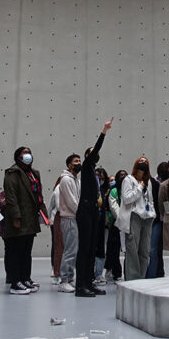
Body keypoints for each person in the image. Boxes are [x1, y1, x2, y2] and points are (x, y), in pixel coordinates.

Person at [3, 145, 48, 295]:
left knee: (26, 250)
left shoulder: (34, 173)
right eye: (24, 153)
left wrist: (44, 213)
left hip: (31, 218)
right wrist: (16, 216)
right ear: (18, 157)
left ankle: (25, 278)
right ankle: (15, 282)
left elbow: (38, 194)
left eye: (29, 153)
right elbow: (11, 196)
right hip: (20, 218)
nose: (28, 155)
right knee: (16, 250)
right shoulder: (13, 173)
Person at [75, 118, 113, 297]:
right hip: (85, 210)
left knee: (91, 248)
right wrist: (104, 131)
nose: (95, 154)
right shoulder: (86, 166)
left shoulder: (93, 172)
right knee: (84, 249)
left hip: (93, 211)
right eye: (91, 153)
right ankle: (80, 286)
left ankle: (89, 282)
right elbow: (96, 149)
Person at [121, 155, 156, 281]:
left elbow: (150, 200)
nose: (143, 163)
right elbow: (126, 198)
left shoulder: (149, 181)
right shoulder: (128, 180)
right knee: (132, 249)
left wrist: (152, 212)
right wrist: (139, 188)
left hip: (147, 218)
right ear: (136, 164)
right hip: (134, 216)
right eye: (141, 161)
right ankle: (132, 279)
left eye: (146, 162)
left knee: (145, 250)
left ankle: (141, 278)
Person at [56, 154, 80, 292]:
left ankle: (70, 278)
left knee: (74, 250)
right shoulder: (65, 180)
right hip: (69, 218)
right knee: (69, 250)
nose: (78, 163)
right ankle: (63, 280)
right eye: (75, 161)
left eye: (79, 160)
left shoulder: (76, 180)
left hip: (75, 218)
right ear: (69, 165)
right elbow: (72, 202)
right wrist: (80, 213)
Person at [105, 170, 126, 282]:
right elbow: (114, 208)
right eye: (121, 175)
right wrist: (122, 219)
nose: (123, 177)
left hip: (129, 223)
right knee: (114, 249)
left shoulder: (129, 190)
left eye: (125, 175)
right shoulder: (113, 191)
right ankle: (116, 273)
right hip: (116, 224)